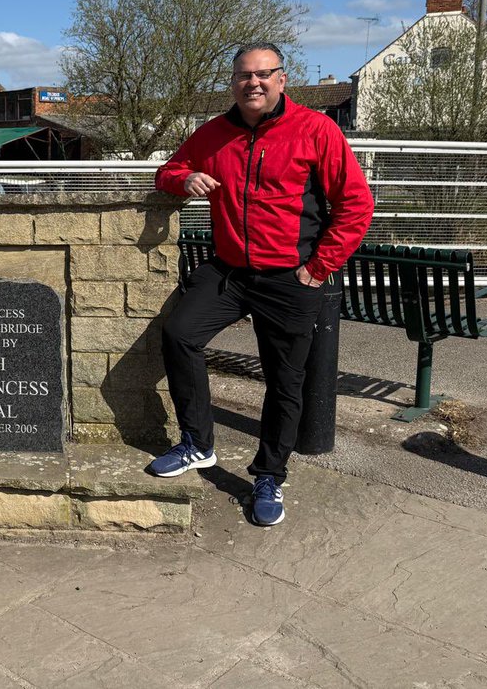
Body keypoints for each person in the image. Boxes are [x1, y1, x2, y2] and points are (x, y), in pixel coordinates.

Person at [149, 43, 373, 527]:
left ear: (281, 79)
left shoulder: (316, 130)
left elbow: (356, 204)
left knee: (284, 381)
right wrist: (185, 180)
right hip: (229, 271)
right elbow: (166, 171)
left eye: (263, 74)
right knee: (179, 334)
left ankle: (269, 475)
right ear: (233, 83)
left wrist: (319, 267)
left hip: (291, 277)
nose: (253, 82)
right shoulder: (213, 133)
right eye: (243, 75)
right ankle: (197, 443)